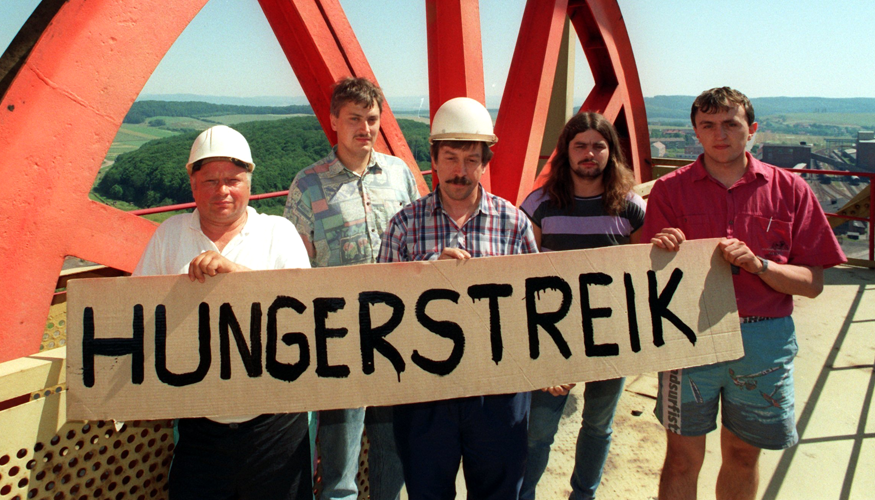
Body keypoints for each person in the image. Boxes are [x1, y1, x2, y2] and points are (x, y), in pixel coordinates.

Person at [642, 87, 846, 500]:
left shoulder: (791, 190)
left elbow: (813, 283)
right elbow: (647, 284)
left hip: (764, 339)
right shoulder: (668, 192)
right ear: (696, 133)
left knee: (742, 456)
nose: (721, 134)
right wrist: (659, 253)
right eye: (709, 125)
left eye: (731, 124)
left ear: (751, 130)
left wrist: (760, 265)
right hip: (690, 336)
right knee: (681, 458)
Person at [133, 125, 312, 499]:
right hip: (200, 423)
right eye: (210, 180)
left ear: (249, 180)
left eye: (233, 179)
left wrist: (237, 278)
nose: (222, 191)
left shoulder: (278, 233)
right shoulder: (169, 236)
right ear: (192, 182)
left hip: (275, 421)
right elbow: (137, 315)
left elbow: (304, 312)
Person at [378, 97, 538, 499]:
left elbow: (535, 305)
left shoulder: (514, 223)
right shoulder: (403, 227)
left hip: (499, 390)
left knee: (500, 492)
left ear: (486, 162)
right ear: (432, 158)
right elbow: (380, 309)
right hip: (424, 392)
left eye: (471, 159)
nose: (460, 172)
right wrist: (428, 273)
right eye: (450, 157)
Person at [284, 77, 420, 500]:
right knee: (339, 459)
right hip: (339, 337)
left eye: (373, 119)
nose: (366, 127)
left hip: (398, 332)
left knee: (394, 448)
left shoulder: (400, 175)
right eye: (355, 118)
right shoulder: (307, 185)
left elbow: (419, 240)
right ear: (334, 121)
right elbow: (294, 264)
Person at [519, 112, 645, 500]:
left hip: (611, 333)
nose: (589, 153)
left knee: (598, 426)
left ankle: (583, 495)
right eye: (580, 146)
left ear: (611, 152)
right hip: (553, 335)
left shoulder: (630, 207)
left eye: (598, 145)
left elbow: (644, 270)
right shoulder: (538, 205)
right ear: (566, 152)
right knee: (539, 430)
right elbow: (519, 270)